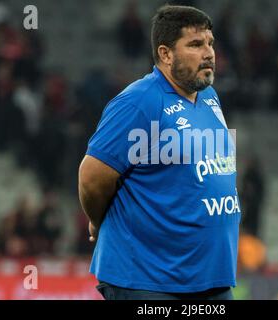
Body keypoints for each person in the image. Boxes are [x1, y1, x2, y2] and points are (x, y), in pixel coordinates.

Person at [78, 5, 241, 300]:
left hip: (209, 279)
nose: (208, 53)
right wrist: (99, 217)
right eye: (195, 44)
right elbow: (92, 178)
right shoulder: (139, 102)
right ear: (165, 54)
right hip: (150, 280)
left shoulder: (209, 97)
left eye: (210, 43)